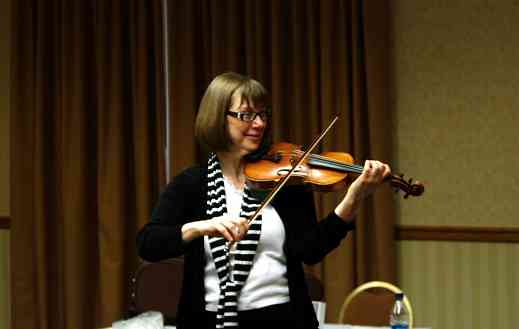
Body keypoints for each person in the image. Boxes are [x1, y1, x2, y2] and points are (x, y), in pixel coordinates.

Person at [136, 72, 391, 329]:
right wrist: (200, 227)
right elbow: (148, 244)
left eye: (263, 114)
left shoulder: (284, 181)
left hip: (283, 320)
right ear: (217, 117)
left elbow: (311, 250)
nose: (259, 123)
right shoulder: (190, 184)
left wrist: (354, 197)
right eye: (246, 115)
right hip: (209, 321)